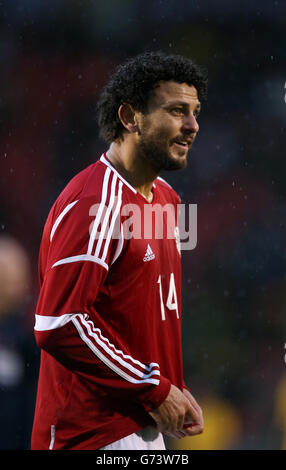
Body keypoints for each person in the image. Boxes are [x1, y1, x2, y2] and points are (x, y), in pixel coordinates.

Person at [31, 51, 207, 451]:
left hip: (144, 425)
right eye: (177, 111)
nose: (193, 126)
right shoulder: (95, 203)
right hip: (90, 434)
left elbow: (142, 309)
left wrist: (172, 387)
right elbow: (59, 323)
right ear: (130, 118)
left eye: (195, 112)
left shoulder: (169, 201)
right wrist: (155, 388)